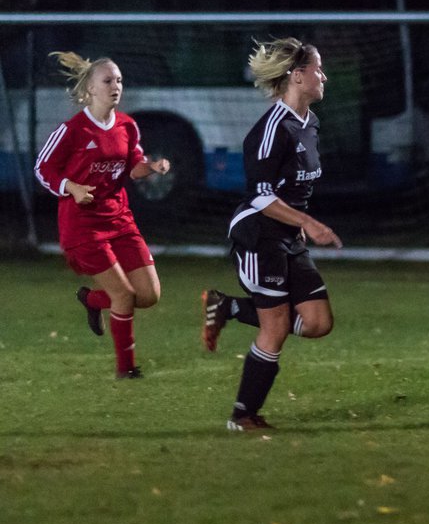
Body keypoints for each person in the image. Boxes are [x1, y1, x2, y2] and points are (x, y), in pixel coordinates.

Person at [201, 37, 342, 432]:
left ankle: (227, 307)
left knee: (317, 322)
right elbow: (260, 196)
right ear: (297, 77)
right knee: (275, 328)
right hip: (258, 235)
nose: (323, 76)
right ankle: (242, 416)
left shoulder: (310, 124)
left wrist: (300, 225)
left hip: (288, 237)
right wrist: (308, 222)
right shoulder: (270, 130)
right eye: (318, 69)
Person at [34, 52, 172, 379]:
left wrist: (151, 167)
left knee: (149, 295)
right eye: (108, 80)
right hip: (83, 228)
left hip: (120, 220)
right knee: (123, 295)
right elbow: (42, 167)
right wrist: (71, 187)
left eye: (119, 80)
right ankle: (126, 370)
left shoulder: (127, 126)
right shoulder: (73, 130)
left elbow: (134, 168)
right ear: (90, 89)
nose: (116, 86)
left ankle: (94, 300)